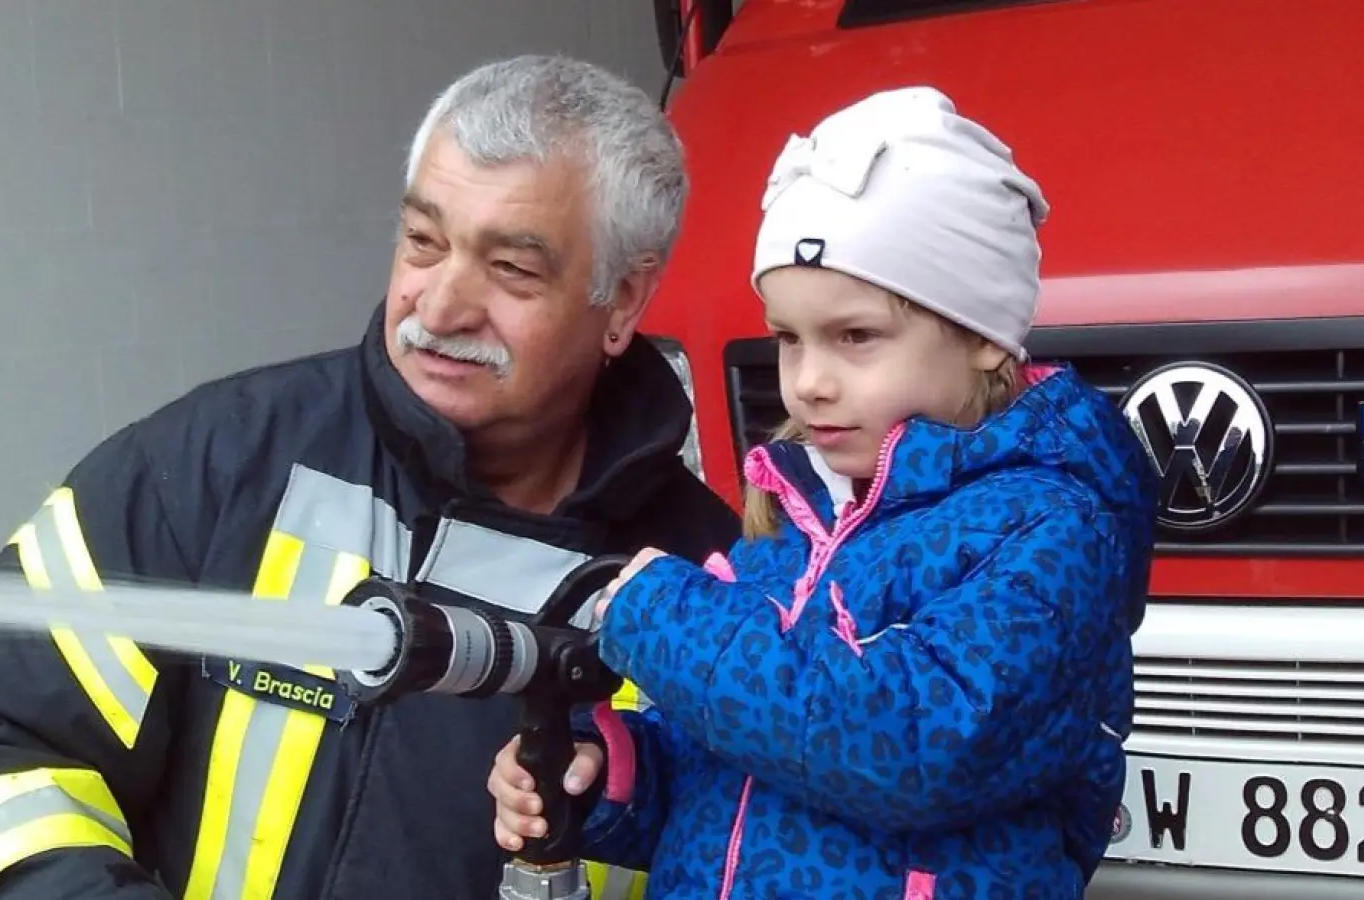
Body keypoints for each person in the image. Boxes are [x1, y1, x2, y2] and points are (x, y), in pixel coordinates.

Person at [0, 55, 737, 900]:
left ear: (623, 301)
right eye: (422, 241)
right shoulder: (219, 465)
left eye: (511, 269)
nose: (438, 308)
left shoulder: (721, 589)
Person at [489, 86, 1160, 898]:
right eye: (787, 337)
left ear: (983, 336)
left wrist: (667, 619)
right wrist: (610, 775)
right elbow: (732, 762)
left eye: (855, 337)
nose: (807, 384)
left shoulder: (1047, 532)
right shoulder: (799, 516)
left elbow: (909, 746)